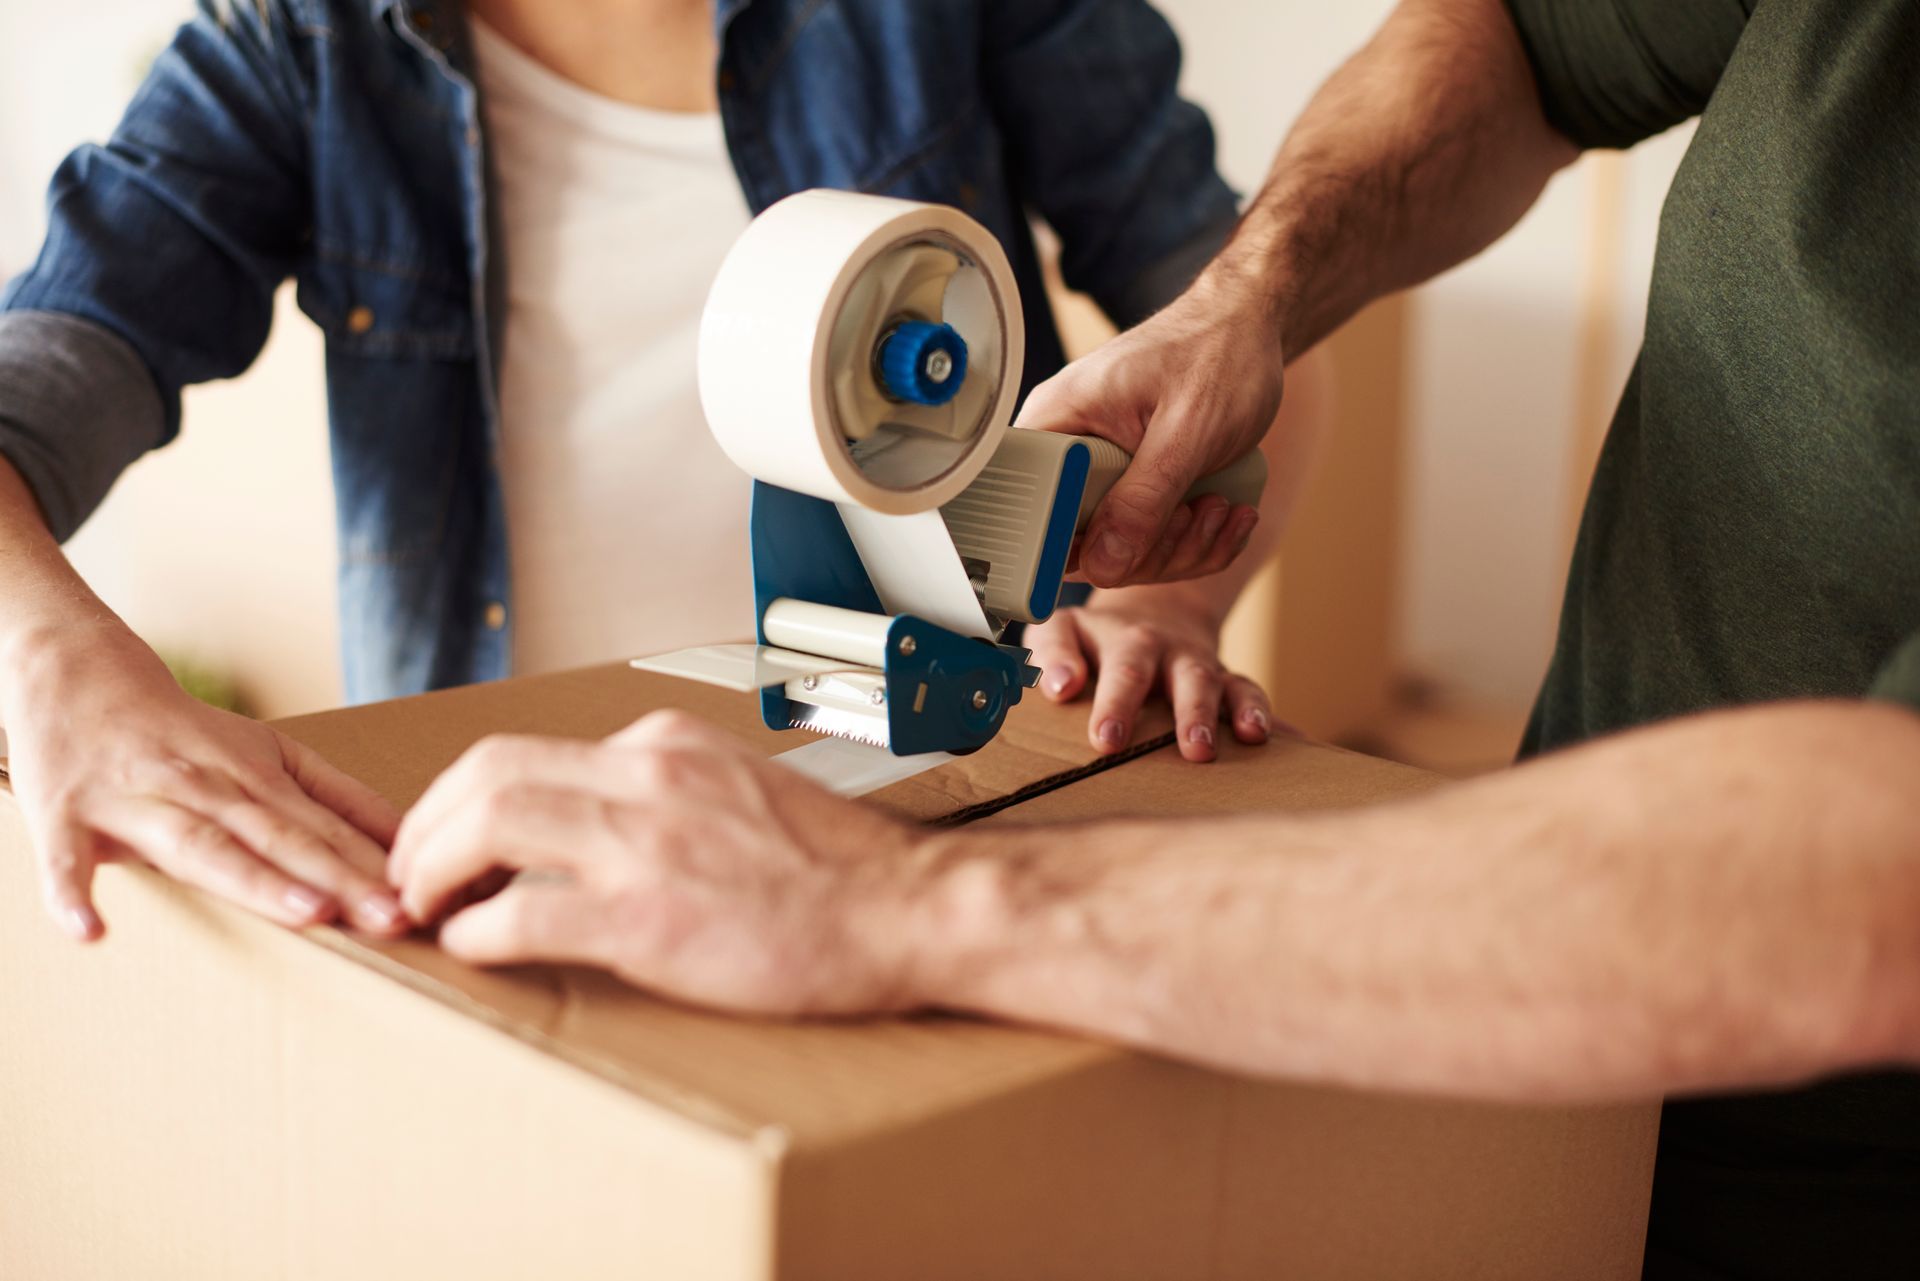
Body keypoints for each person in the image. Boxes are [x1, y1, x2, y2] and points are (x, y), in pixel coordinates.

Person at [388, 0, 1920, 1277]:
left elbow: (1879, 882)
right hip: (1570, 1054)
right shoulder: (307, 44)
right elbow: (1528, 37)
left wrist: (913, 906)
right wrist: (1244, 301)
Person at [0, 0, 1325, 943]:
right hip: (494, 850)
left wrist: (1160, 604)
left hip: (954, 792)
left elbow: (1257, 328)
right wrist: (49, 653)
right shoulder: (301, 42)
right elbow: (49, 363)